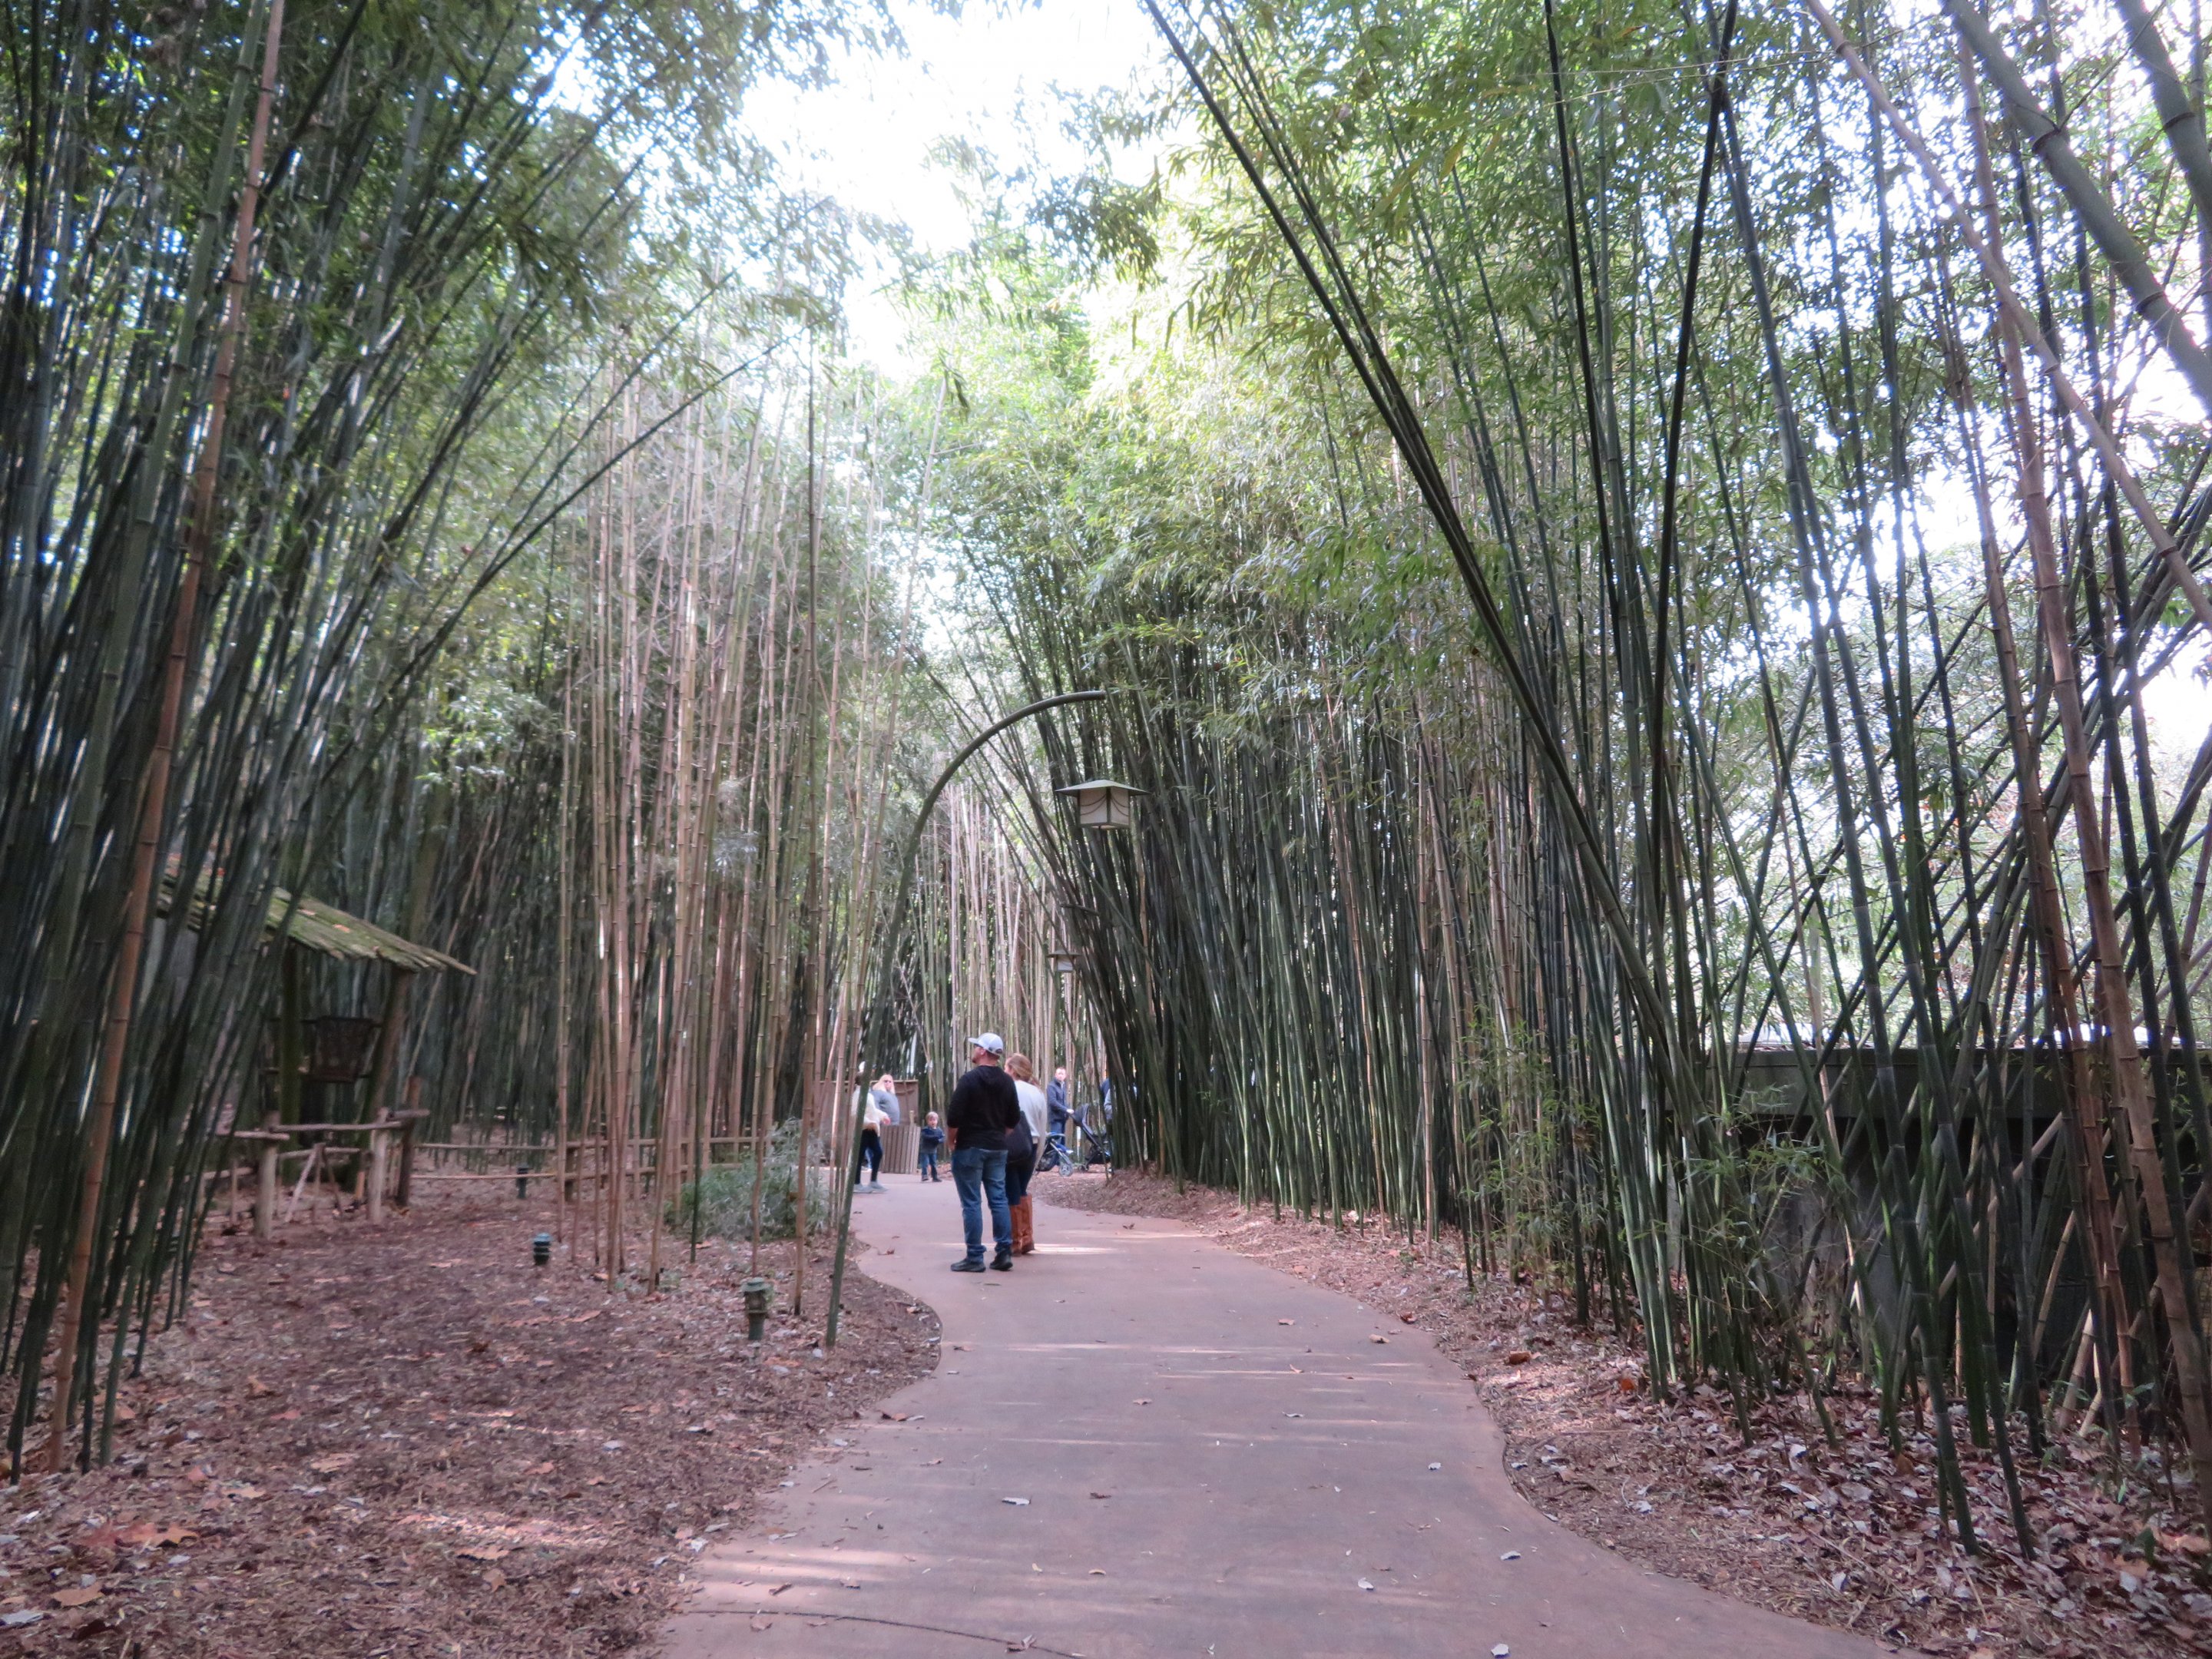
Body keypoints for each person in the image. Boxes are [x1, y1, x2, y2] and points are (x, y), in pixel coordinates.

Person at [945, 1033, 1018, 1272]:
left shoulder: (969, 1080)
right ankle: (1004, 1252)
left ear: (983, 1051)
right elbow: (1013, 1119)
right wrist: (998, 1135)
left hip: (970, 1147)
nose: (974, 1049)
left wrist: (951, 1142)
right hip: (997, 1148)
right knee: (998, 1199)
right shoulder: (1007, 1082)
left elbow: (954, 1117)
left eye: (977, 1046)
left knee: (971, 1202)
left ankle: (975, 1257)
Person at [1005, 1055, 1048, 1255]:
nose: (1004, 1072)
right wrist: (1038, 1154)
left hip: (1011, 1145)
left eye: (1006, 1068)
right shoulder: (1037, 1092)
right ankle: (1027, 1237)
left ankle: (1015, 1240)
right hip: (1032, 1145)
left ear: (1013, 1070)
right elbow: (1042, 1126)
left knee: (1011, 1191)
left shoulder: (1009, 1089)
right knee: (1021, 1189)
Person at [856, 1088, 887, 1191]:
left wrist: (883, 1116)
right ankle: (856, 1183)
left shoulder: (869, 1094)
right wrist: (867, 1122)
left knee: (878, 1152)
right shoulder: (857, 1094)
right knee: (859, 1156)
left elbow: (872, 1110)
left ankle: (873, 1181)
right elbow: (855, 1112)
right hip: (863, 1129)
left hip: (872, 1129)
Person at [1044, 1065, 1071, 1170]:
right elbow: (1053, 1102)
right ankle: (1052, 1163)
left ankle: (1060, 1163)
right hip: (1055, 1118)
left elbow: (1063, 1102)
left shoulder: (1063, 1086)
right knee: (1056, 1142)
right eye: (1059, 1073)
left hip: (1062, 1118)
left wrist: (1068, 1110)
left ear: (1065, 1076)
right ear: (1055, 1075)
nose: (1060, 1075)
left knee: (1062, 1141)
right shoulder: (1051, 1086)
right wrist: (1066, 1110)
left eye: (1062, 1074)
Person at [918, 1111, 945, 1182]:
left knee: (933, 1164)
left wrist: (939, 1140)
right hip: (925, 1150)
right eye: (931, 1120)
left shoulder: (939, 1130)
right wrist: (933, 1138)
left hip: (933, 1150)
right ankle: (924, 1175)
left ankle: (935, 1176)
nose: (933, 1122)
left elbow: (943, 1138)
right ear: (927, 1121)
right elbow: (924, 1136)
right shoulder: (926, 1129)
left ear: (937, 1121)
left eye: (934, 1120)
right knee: (925, 1163)